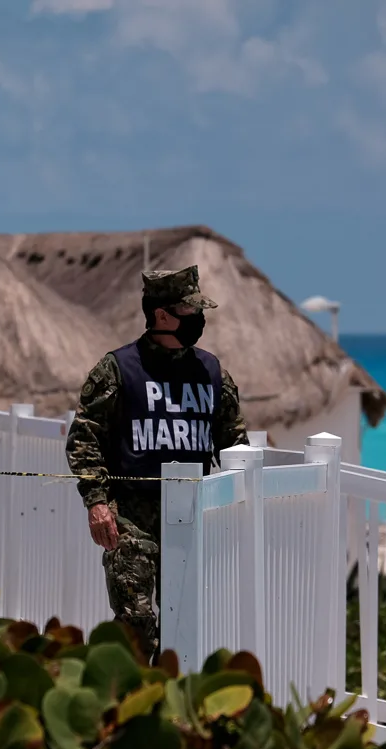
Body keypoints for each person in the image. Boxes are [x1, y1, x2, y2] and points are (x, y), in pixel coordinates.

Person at [65, 265, 249, 663]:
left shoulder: (213, 372)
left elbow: (236, 444)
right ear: (162, 315)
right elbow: (84, 438)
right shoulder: (117, 369)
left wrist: (234, 505)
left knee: (185, 626)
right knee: (136, 626)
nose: (199, 320)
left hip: (194, 517)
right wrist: (97, 502)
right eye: (189, 312)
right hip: (132, 517)